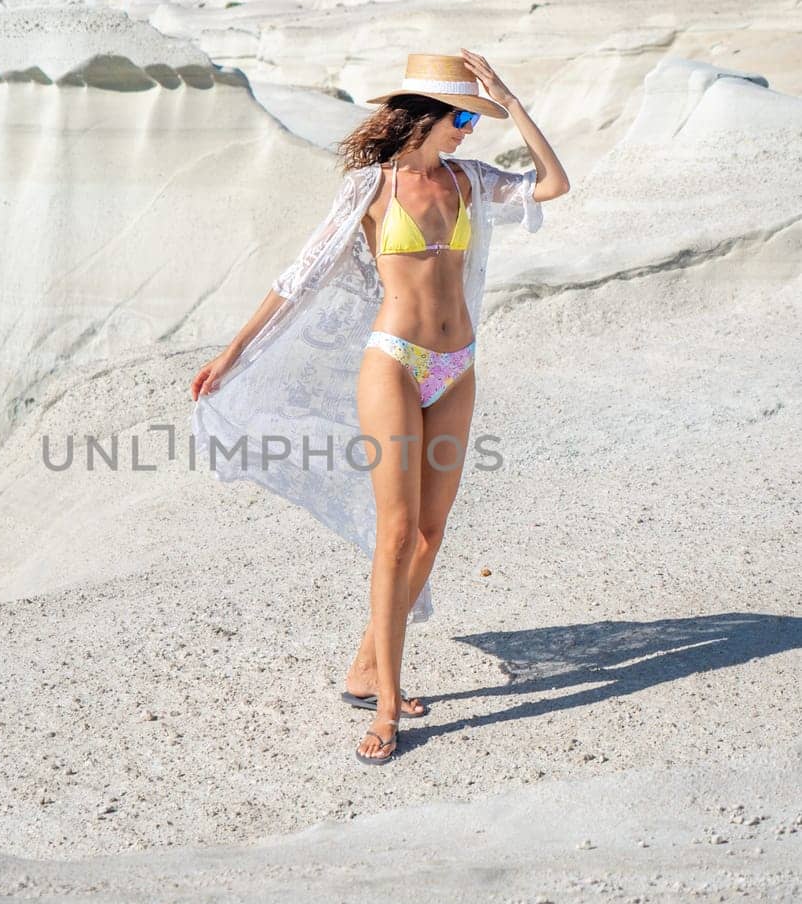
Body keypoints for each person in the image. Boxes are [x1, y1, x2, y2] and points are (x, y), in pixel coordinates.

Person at [190, 49, 570, 765]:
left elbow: (553, 183)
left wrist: (509, 99)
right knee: (396, 535)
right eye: (460, 117)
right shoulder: (372, 187)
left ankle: (367, 667)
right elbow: (299, 277)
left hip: (457, 368)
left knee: (431, 531)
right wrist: (232, 353)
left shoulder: (469, 178)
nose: (467, 129)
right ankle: (389, 706)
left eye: (472, 118)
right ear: (422, 117)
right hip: (393, 363)